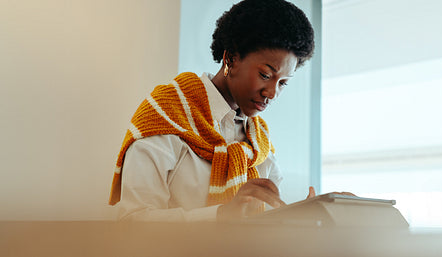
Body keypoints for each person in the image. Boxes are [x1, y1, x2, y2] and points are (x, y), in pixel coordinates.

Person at [109, 0, 315, 222]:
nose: (272, 93)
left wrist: (312, 213)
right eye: (265, 75)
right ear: (231, 59)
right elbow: (131, 223)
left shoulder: (259, 141)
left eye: (283, 83)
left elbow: (269, 221)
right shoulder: (165, 115)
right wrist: (222, 215)